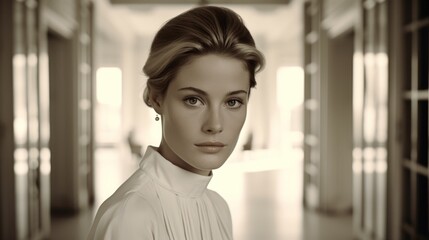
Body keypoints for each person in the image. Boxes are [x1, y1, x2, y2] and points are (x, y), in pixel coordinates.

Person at [87, 5, 264, 240]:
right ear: (156, 97)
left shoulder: (218, 208)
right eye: (194, 100)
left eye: (232, 102)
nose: (215, 125)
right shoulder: (131, 216)